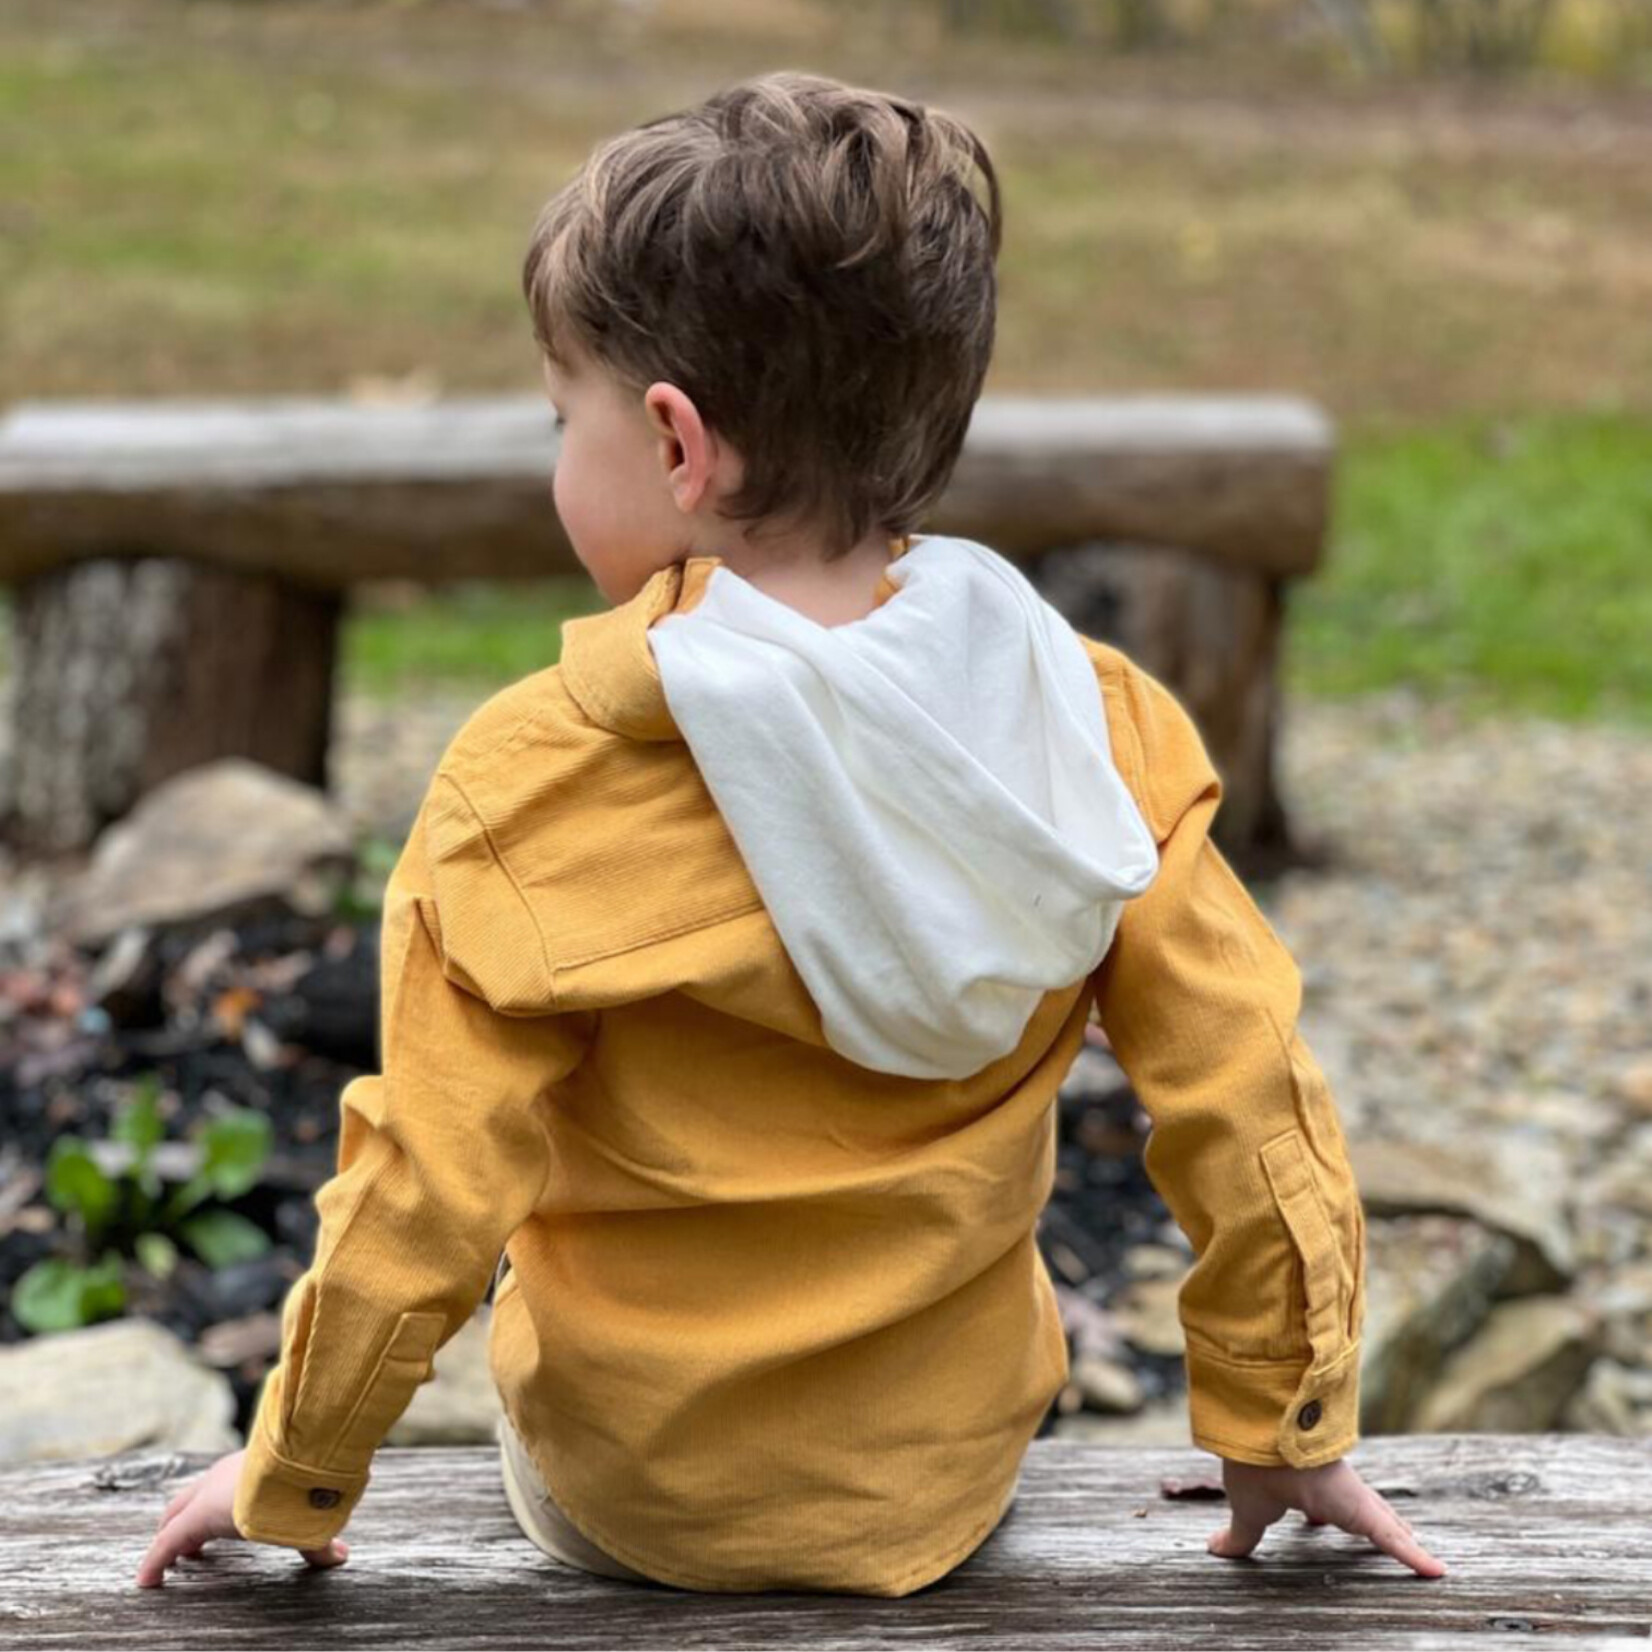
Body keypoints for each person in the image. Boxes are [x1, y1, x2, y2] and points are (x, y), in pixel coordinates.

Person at [136, 69, 1447, 1595]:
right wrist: (1283, 1419)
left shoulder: (533, 778)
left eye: (569, 419)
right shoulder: (1083, 729)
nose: (558, 457)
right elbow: (1247, 1083)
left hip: (630, 1499)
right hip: (945, 1485)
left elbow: (424, 1188)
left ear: (679, 446)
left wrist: (290, 1471)